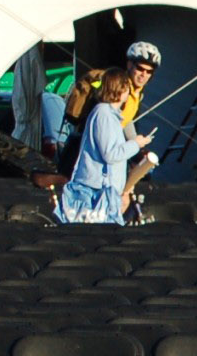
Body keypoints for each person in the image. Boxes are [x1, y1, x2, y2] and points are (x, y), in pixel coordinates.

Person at [55, 71, 153, 224]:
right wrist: (136, 144)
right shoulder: (104, 114)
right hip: (96, 193)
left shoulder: (109, 116)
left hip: (104, 191)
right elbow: (111, 154)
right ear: (121, 90)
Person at [59, 40, 160, 184]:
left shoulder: (137, 94)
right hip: (87, 152)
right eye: (140, 68)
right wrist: (135, 144)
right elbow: (109, 145)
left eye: (149, 71)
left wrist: (135, 145)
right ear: (129, 65)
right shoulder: (116, 91)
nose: (144, 74)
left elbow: (126, 120)